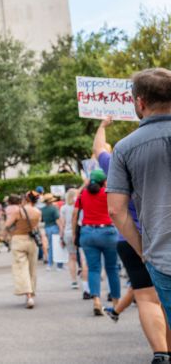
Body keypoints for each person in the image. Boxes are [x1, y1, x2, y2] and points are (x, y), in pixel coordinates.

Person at [98, 108, 171, 362]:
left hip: (143, 240)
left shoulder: (126, 151)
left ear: (140, 102)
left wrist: (102, 126)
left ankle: (162, 353)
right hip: (156, 239)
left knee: (148, 299)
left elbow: (116, 210)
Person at [72, 169, 120, 316]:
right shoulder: (108, 193)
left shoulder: (83, 195)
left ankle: (97, 301)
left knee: (93, 269)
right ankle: (116, 303)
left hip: (88, 233)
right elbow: (115, 211)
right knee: (112, 268)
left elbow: (75, 215)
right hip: (107, 232)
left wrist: (75, 234)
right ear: (104, 181)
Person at [4, 192, 41, 308]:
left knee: (21, 268)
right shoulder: (38, 212)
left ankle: (28, 296)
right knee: (32, 268)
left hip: (18, 239)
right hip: (31, 241)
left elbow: (7, 225)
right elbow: (36, 227)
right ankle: (31, 293)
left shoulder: (18, 211)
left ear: (25, 199)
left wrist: (8, 234)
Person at [58, 189, 87, 290]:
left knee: (71, 257)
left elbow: (62, 224)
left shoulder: (63, 208)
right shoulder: (80, 206)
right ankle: (85, 281)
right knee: (83, 258)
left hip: (68, 233)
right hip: (80, 232)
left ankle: (74, 281)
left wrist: (61, 237)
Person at [40, 194, 62, 271]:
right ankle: (59, 265)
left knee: (50, 246)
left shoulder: (42, 209)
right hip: (54, 227)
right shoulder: (54, 208)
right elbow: (57, 219)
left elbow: (42, 220)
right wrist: (61, 229)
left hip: (47, 228)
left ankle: (49, 264)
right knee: (58, 246)